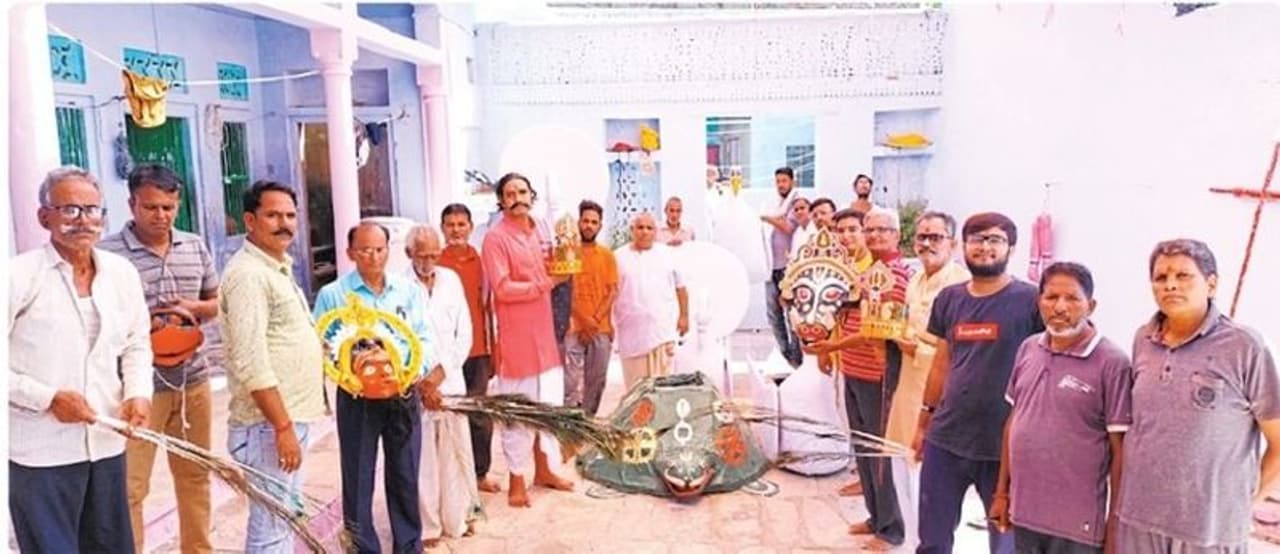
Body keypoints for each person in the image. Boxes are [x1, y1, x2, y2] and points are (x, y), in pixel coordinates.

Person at [9, 166, 153, 553]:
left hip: (106, 440)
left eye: (92, 210)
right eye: (69, 210)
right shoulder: (18, 277)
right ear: (44, 217)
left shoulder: (121, 273)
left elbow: (137, 343)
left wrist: (138, 393)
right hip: (41, 451)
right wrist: (47, 398)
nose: (83, 220)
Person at [1115, 239, 1280, 553]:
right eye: (1161, 277)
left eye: (1183, 275)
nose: (1170, 285)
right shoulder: (1143, 340)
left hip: (1209, 531)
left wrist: (1242, 504)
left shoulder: (1245, 347)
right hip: (1139, 520)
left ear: (1211, 284)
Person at [100, 164, 218, 554]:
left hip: (193, 381)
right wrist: (143, 324)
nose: (161, 215)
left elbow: (216, 302)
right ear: (132, 204)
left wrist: (193, 309)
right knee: (131, 487)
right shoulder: (108, 254)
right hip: (137, 391)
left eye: (169, 207)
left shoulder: (194, 246)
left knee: (195, 476)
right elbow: (96, 319)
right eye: (151, 207)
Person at [914, 212, 1044, 554]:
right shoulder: (949, 299)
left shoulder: (1031, 301)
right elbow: (941, 363)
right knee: (932, 540)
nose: (985, 247)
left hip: (1004, 445)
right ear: (963, 246)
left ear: (1011, 249)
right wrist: (924, 421)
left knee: (1005, 543)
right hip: (947, 438)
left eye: (995, 239)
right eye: (977, 239)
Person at [312, 222, 441, 553]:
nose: (373, 256)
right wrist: (349, 372)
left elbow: (425, 337)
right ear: (350, 253)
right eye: (365, 250)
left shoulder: (408, 291)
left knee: (405, 473)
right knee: (358, 476)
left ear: (388, 250)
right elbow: (321, 344)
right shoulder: (333, 295)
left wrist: (412, 372)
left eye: (380, 249)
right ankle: (362, 547)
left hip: (402, 391)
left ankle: (408, 545)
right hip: (357, 398)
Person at [988, 262, 1132, 554]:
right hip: (1025, 514)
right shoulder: (1029, 348)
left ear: (1091, 306)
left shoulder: (1112, 362)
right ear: (1039, 301)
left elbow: (1121, 452)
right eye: (1051, 297)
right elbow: (1014, 421)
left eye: (1072, 298)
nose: (1060, 307)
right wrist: (1002, 493)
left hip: (1078, 528)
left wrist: (1114, 528)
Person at [219, 180, 327, 553]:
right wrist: (282, 427)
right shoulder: (248, 275)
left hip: (284, 418)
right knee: (271, 526)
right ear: (250, 220)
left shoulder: (274, 267)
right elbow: (250, 360)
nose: (284, 224)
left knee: (283, 521)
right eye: (273, 215)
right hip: (267, 425)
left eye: (290, 215)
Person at [806, 208, 908, 550]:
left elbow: (879, 331)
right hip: (853, 369)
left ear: (897, 236)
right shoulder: (865, 273)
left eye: (883, 230)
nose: (875, 235)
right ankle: (876, 516)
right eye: (871, 229)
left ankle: (891, 529)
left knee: (880, 453)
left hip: (878, 375)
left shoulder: (897, 275)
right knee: (863, 448)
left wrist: (832, 345)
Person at [481, 172, 575, 508]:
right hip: (517, 339)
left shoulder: (540, 230)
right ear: (501, 201)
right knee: (518, 410)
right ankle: (517, 480)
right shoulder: (495, 238)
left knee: (547, 405)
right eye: (510, 193)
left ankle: (544, 470)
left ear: (532, 196)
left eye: (522, 192)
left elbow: (561, 260)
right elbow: (503, 288)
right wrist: (546, 283)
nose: (517, 198)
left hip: (544, 336)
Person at [884, 211, 971, 548]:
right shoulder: (916, 279)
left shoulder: (961, 286)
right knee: (900, 466)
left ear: (953, 243)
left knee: (928, 481)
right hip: (908, 388)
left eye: (936, 237)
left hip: (938, 395)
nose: (927, 243)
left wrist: (916, 348)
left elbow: (962, 350)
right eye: (922, 237)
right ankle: (909, 543)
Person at [405, 225, 481, 548]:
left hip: (450, 382)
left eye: (434, 255)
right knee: (423, 460)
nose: (429, 262)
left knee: (455, 454)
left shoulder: (451, 279)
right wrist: (423, 383)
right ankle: (428, 527)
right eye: (422, 255)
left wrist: (440, 374)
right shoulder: (399, 286)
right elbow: (399, 339)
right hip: (416, 387)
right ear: (409, 253)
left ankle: (457, 519)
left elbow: (465, 334)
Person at [437, 203, 501, 494]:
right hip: (445, 354)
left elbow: (489, 308)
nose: (456, 230)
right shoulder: (436, 263)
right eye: (450, 225)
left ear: (470, 227)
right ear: (443, 228)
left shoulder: (482, 262)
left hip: (478, 350)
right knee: (447, 413)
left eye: (461, 224)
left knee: (479, 413)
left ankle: (479, 473)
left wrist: (494, 349)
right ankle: (451, 477)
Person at [613, 212, 690, 389]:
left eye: (649, 228)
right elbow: (611, 292)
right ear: (632, 230)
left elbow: (681, 288)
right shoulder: (618, 257)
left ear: (655, 232)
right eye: (640, 227)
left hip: (661, 333)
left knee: (662, 390)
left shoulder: (667, 254)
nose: (644, 232)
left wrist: (684, 316)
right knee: (636, 391)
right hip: (631, 335)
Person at [563, 200, 619, 416]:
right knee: (570, 382)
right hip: (573, 328)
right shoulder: (567, 253)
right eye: (585, 221)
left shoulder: (607, 255)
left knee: (597, 381)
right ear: (579, 222)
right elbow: (564, 290)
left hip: (599, 328)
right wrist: (584, 320)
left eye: (594, 222)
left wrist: (594, 321)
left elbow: (612, 291)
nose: (589, 226)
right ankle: (569, 424)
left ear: (600, 226)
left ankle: (588, 422)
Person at [760, 166, 803, 367]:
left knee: (791, 313)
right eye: (778, 181)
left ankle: (795, 356)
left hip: (789, 268)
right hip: (772, 267)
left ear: (792, 182)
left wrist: (766, 218)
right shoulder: (776, 203)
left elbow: (788, 227)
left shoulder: (796, 203)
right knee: (773, 313)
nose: (781, 185)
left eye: (784, 181)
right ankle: (784, 353)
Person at [788, 196, 815, 261]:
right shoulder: (797, 233)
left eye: (802, 208)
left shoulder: (817, 227)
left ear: (810, 210)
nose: (799, 212)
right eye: (796, 210)